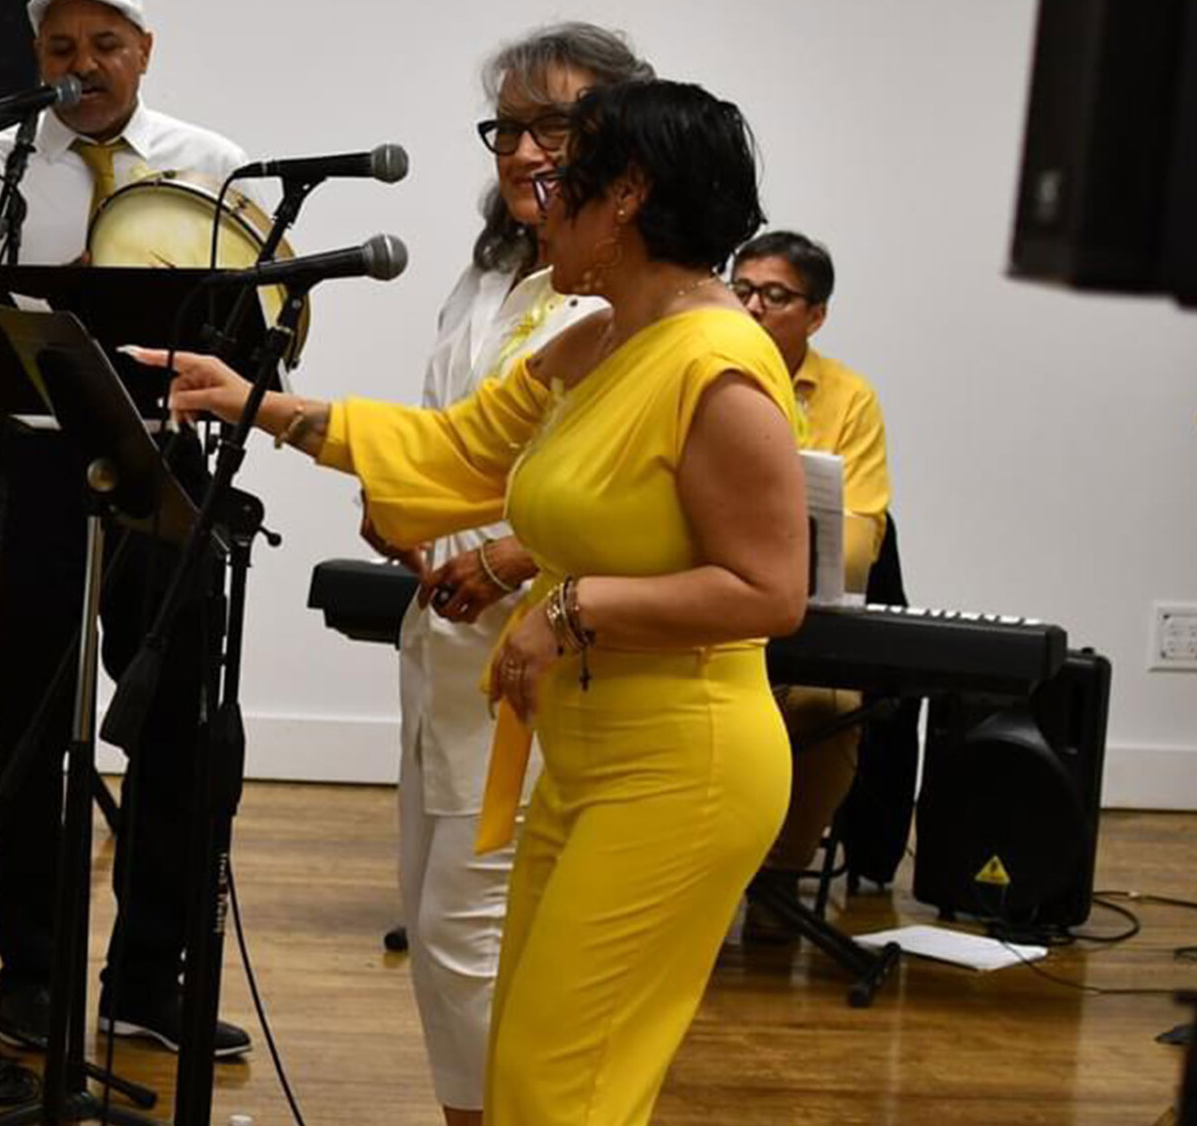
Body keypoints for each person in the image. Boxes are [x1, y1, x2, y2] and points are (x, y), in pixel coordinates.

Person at [140, 78, 806, 1124]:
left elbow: (769, 591)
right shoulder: (599, 340)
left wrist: (570, 607)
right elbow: (453, 453)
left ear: (626, 194)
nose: (532, 192)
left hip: (684, 769)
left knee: (556, 1085)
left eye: (563, 173)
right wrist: (250, 401)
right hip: (587, 757)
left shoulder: (716, 367)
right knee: (528, 1077)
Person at [0, 0, 254, 1057]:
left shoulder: (213, 166)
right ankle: (33, 981)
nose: (83, 66)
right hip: (35, 468)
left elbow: (263, 320)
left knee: (178, 727)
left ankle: (148, 982)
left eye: (106, 44)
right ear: (36, 65)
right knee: (25, 728)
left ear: (145, 50)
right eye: (61, 50)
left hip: (168, 464)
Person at [380, 24, 646, 1126]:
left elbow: (631, 476)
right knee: (432, 919)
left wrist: (512, 553)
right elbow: (464, 432)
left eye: (558, 125)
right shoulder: (491, 267)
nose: (528, 150)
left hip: (549, 640)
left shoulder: (629, 289)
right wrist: (399, 498)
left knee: (472, 929)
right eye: (510, 127)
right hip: (440, 631)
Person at [728, 229, 893, 934]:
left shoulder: (848, 398)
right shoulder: (699, 369)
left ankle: (777, 884)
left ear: (815, 314)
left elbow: (858, 540)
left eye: (776, 295)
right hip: (703, 607)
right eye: (741, 290)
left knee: (829, 706)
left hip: (795, 613)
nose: (755, 307)